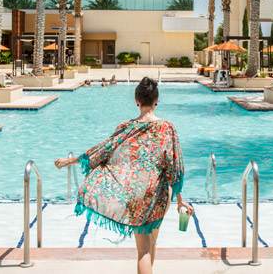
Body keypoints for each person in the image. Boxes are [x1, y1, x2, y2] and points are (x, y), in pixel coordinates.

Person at [54, 77, 193, 274]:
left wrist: (71, 160)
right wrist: (180, 201)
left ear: (137, 101)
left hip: (134, 193)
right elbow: (175, 168)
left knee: (143, 250)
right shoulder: (167, 128)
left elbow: (102, 150)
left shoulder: (127, 126)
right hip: (159, 194)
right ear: (157, 101)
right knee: (152, 242)